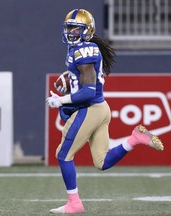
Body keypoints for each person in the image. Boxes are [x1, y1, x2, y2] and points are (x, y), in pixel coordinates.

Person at [46, 9, 164, 214]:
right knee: (102, 162)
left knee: (63, 154)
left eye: (76, 28)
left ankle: (74, 203)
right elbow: (84, 81)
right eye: (69, 27)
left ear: (87, 31)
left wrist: (61, 100)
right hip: (101, 109)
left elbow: (89, 91)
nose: (71, 32)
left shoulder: (83, 51)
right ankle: (135, 139)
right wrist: (69, 82)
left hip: (90, 109)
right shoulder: (83, 49)